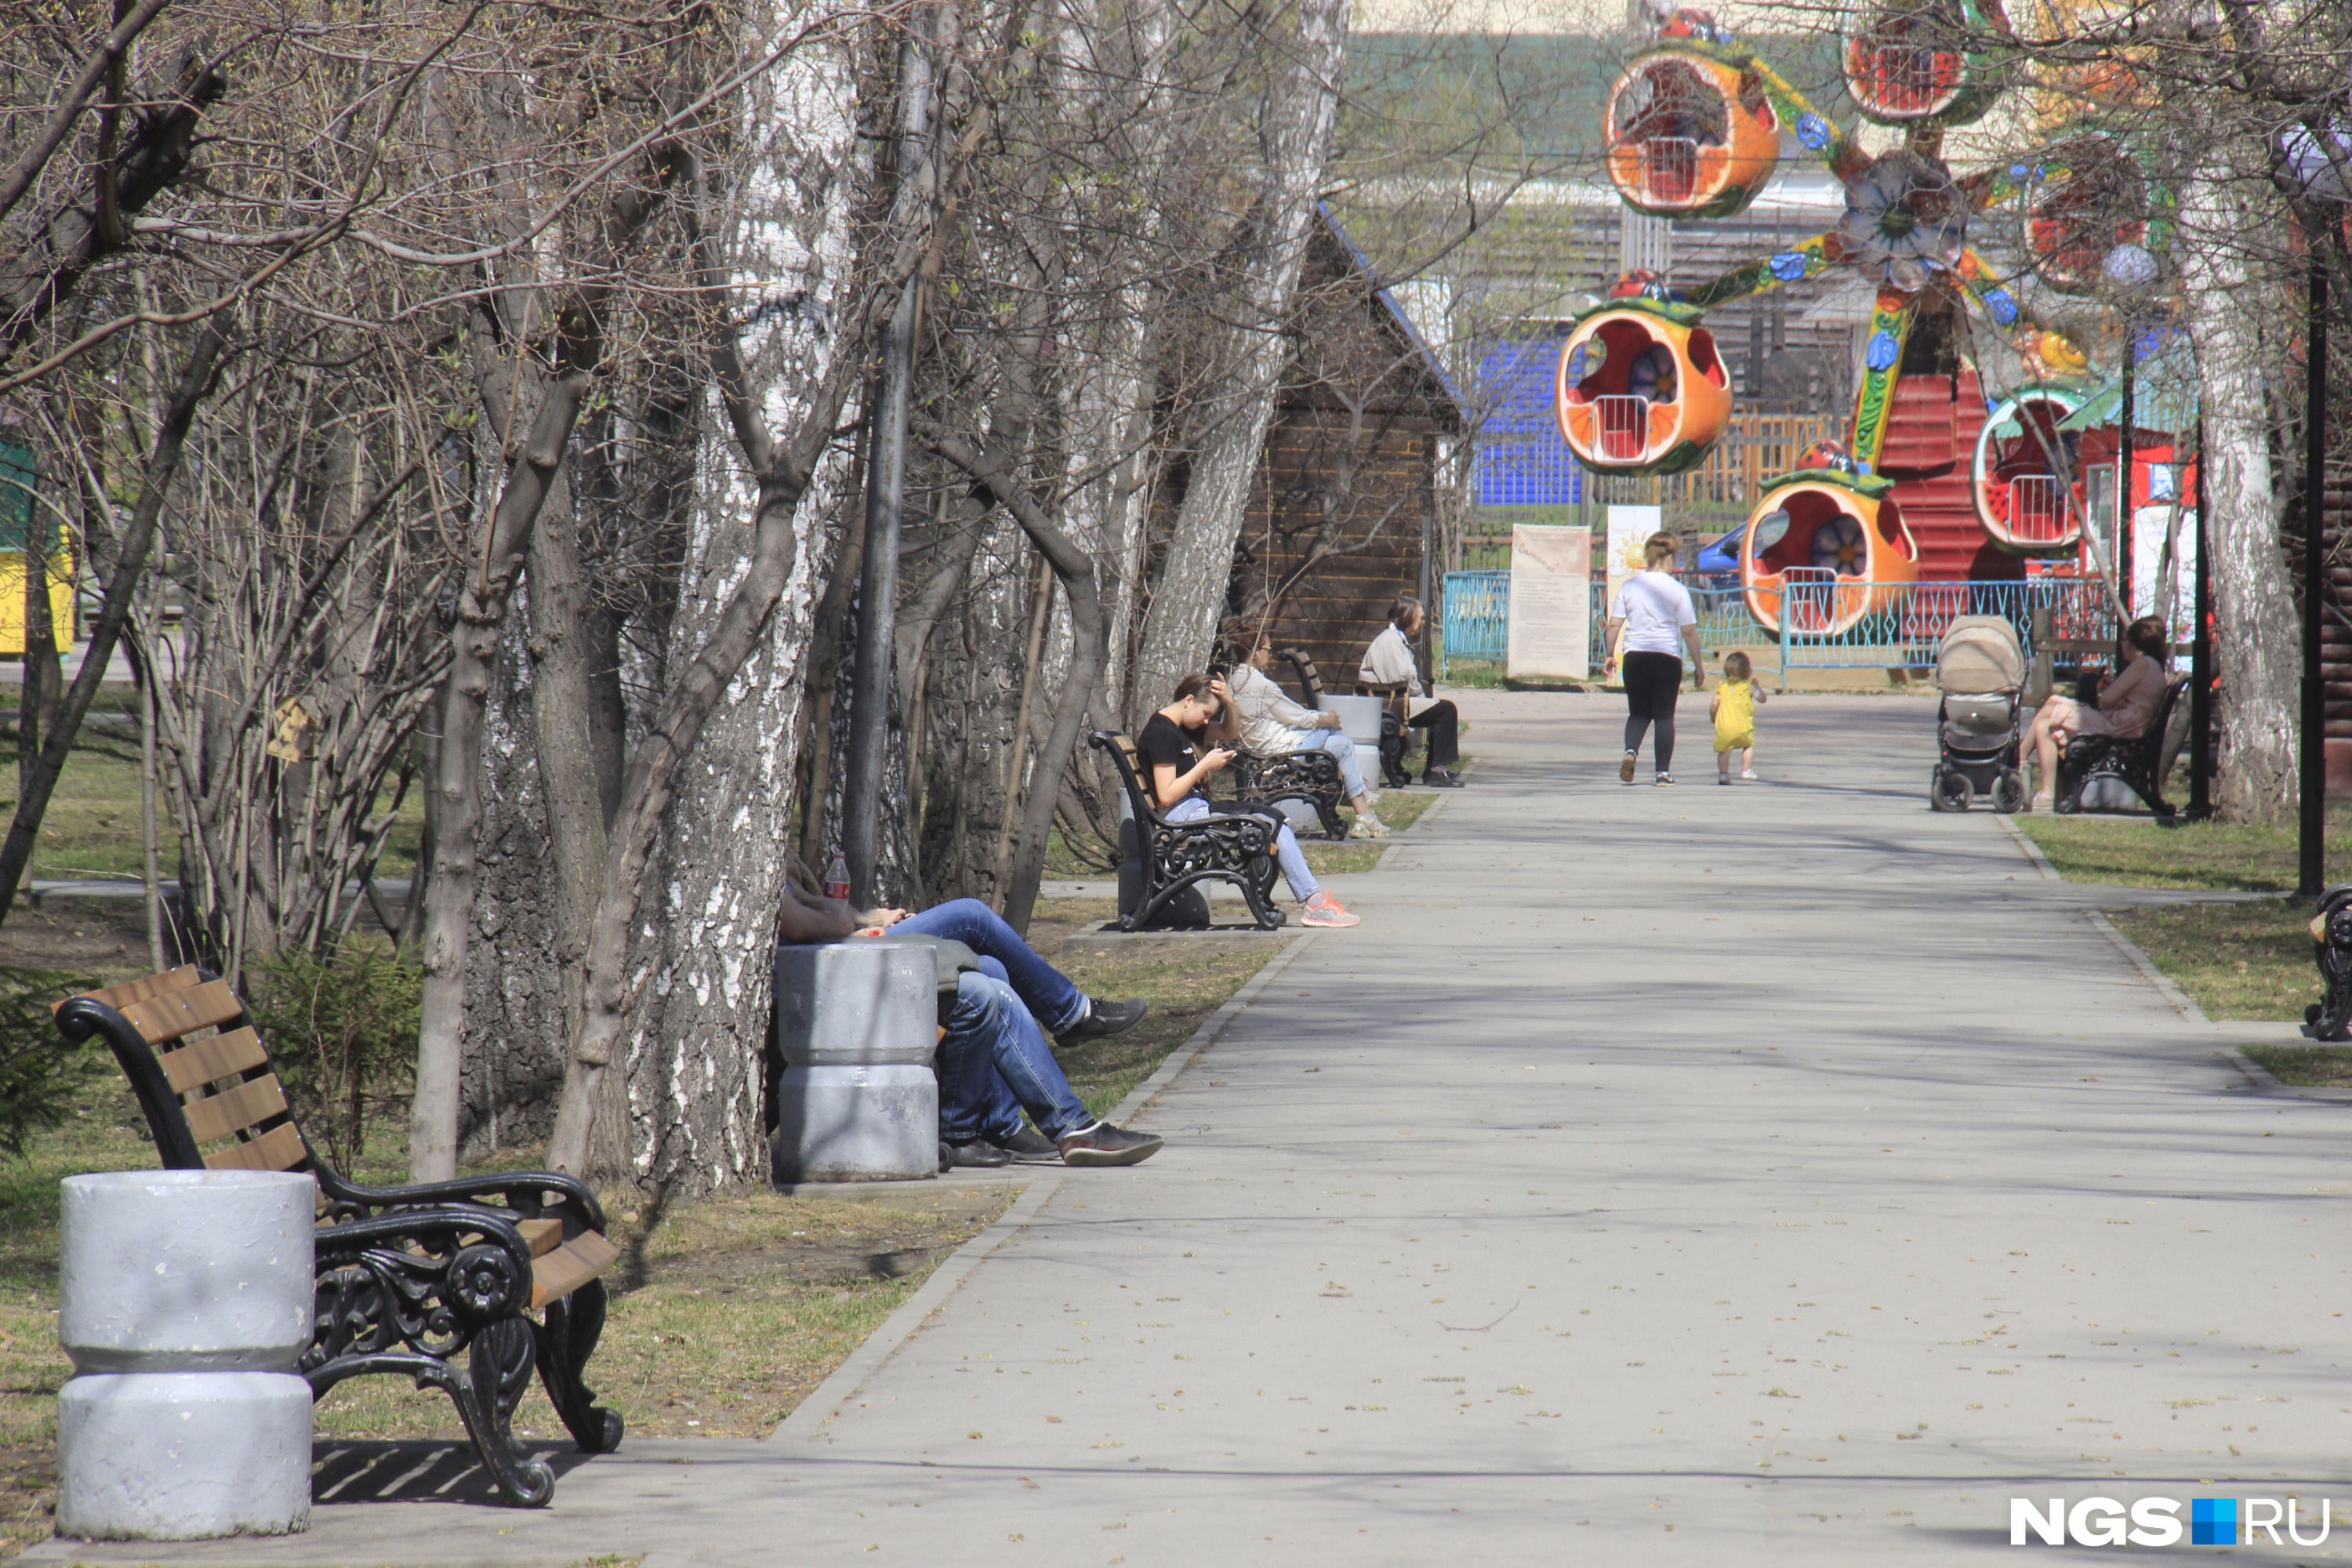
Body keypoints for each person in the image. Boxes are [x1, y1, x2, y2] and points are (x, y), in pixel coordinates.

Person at [773, 861, 1162, 1168]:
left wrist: (870, 918)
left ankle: (1000, 1123)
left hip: (841, 955)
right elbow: (797, 922)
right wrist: (857, 923)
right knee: (972, 918)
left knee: (992, 970)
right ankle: (1072, 1036)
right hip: (836, 965)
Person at [1137, 674, 1361, 928]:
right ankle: (1315, 904)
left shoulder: (1179, 727)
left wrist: (1230, 704)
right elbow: (1166, 794)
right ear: (1188, 701)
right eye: (1206, 713)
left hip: (1192, 810)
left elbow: (1230, 731)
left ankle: (1315, 902)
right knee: (1270, 823)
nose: (1207, 721)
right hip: (1181, 818)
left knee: (1273, 822)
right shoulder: (1162, 733)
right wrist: (1205, 766)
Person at [1221, 623, 1391, 839]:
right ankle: (1360, 795)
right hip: (1283, 752)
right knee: (1337, 737)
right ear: (1255, 653)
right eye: (1267, 649)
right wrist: (1326, 719)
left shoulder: (1235, 680)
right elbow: (1297, 716)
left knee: (1342, 743)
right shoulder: (1261, 685)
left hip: (1264, 750)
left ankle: (1363, 809)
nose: (1270, 655)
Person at [2024, 615, 2169, 811]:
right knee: (2051, 711)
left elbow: (2106, 700)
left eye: (2125, 639)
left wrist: (2112, 695)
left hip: (2118, 729)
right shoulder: (2154, 666)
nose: (2121, 643)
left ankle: (2028, 772)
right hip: (2125, 726)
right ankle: (2034, 775)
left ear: (2134, 644)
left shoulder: (2142, 664)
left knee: (2046, 721)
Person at [1602, 530, 1704, 787]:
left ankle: (1631, 751)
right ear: (1669, 557)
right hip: (1667, 658)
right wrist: (1699, 666)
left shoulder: (1630, 586)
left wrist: (1608, 655)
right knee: (1664, 716)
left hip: (1635, 657)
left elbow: (1614, 625)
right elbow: (1689, 631)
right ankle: (1662, 773)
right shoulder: (1678, 590)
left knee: (1638, 713)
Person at [1356, 594, 1465, 788]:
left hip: (1394, 701)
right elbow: (1400, 679)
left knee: (1442, 709)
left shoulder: (1395, 639)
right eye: (1420, 617)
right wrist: (1423, 698)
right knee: (1446, 710)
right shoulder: (1390, 642)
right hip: (1390, 704)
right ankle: (1436, 770)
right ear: (1407, 616)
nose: (1423, 622)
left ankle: (1436, 769)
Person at [1711, 649, 1766, 783]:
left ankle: (1723, 775)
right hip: (1743, 726)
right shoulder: (1748, 688)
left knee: (1724, 751)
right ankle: (1746, 770)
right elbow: (1763, 699)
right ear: (1747, 671)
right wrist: (1757, 687)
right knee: (1747, 746)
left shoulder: (1722, 688)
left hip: (1725, 727)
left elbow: (1714, 705)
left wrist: (1713, 716)